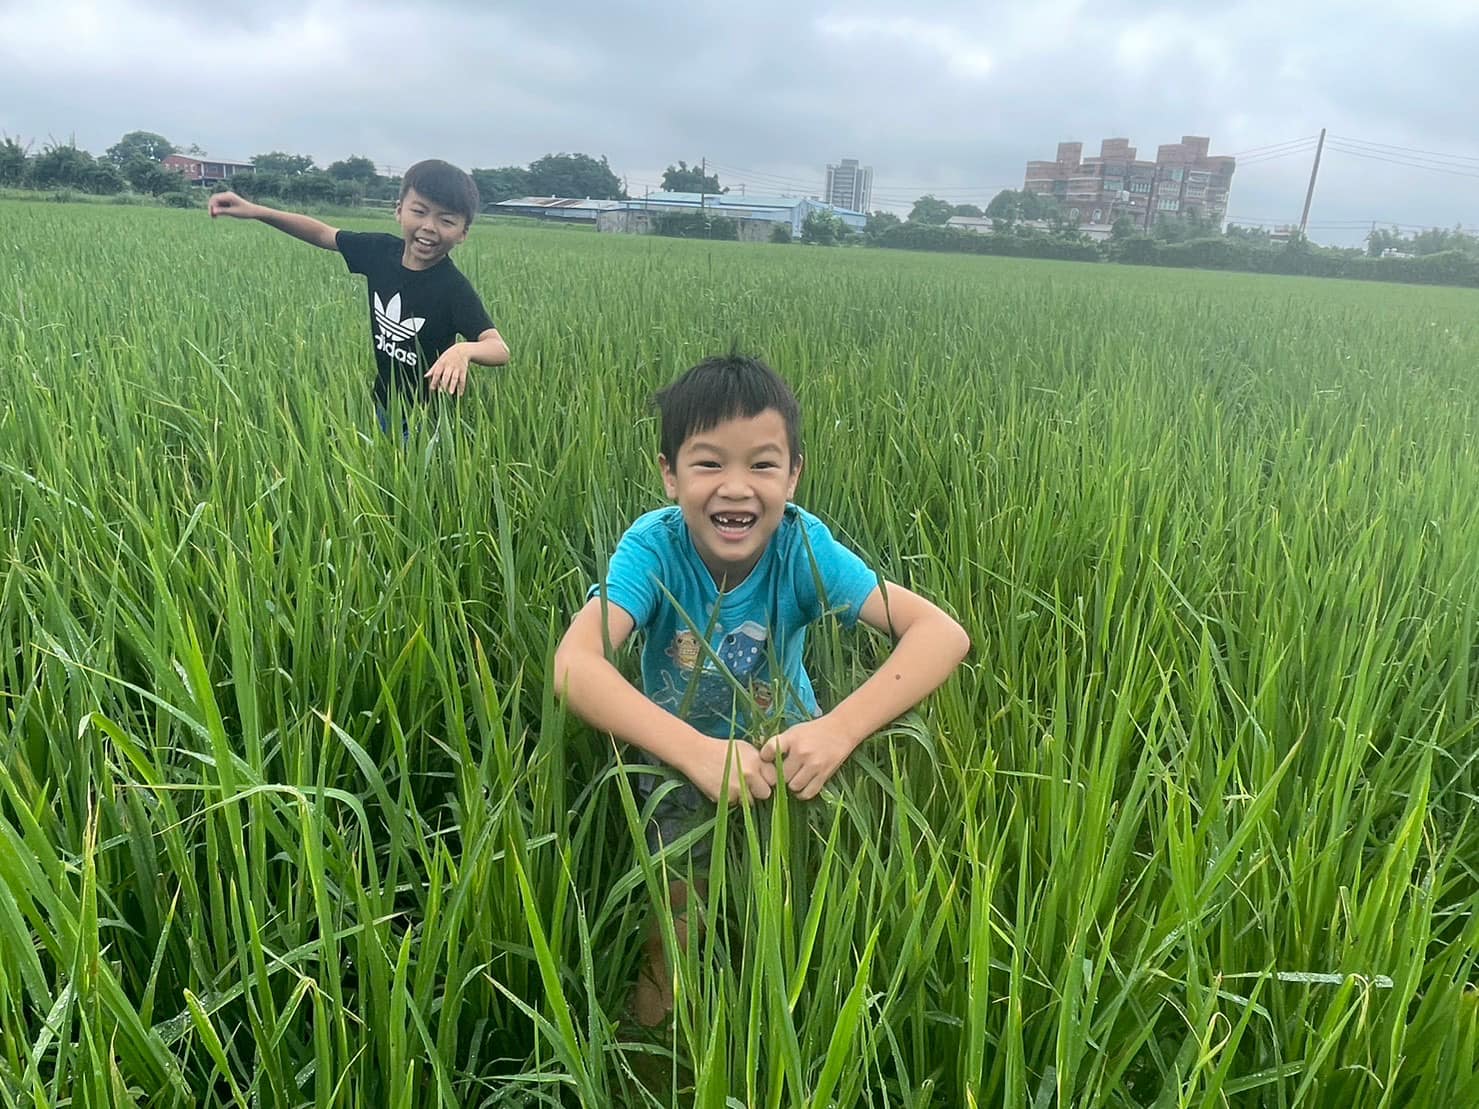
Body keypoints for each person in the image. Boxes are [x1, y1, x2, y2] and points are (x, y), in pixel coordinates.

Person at [552, 353, 970, 1026]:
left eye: (762, 464)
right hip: (678, 761)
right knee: (675, 928)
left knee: (803, 915)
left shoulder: (802, 547)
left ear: (793, 474)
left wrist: (836, 730)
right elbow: (574, 664)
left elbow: (941, 635)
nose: (736, 488)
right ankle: (653, 1057)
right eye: (708, 463)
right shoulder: (653, 549)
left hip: (792, 762)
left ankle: (795, 1037)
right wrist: (694, 751)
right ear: (669, 473)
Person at [208, 159, 509, 429]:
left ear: (463, 233)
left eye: (447, 220)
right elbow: (323, 233)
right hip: (383, 403)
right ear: (399, 210)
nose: (429, 227)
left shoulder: (453, 288)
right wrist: (255, 211)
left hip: (428, 421)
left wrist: (463, 351)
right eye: (419, 212)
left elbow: (498, 348)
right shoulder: (379, 251)